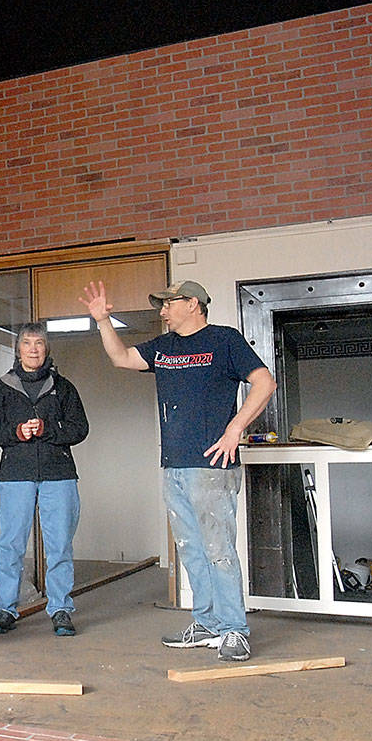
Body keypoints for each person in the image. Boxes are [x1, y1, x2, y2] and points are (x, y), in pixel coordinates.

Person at [80, 279, 275, 661]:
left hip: (212, 466)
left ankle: (235, 629)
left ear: (193, 304)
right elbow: (121, 358)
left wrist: (235, 429)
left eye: (169, 303)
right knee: (191, 550)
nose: (162, 310)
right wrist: (103, 321)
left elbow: (264, 382)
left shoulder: (224, 340)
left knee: (219, 550)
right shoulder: (164, 347)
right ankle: (206, 623)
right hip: (174, 466)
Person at [0, 323, 89, 637]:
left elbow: (80, 428)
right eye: (27, 343)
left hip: (59, 474)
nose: (34, 349)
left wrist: (47, 429)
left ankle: (61, 609)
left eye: (39, 343)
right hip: (16, 476)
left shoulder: (63, 387)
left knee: (60, 545)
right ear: (18, 349)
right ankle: (4, 608)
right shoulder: (3, 386)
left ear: (47, 348)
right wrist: (15, 433)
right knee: (11, 545)